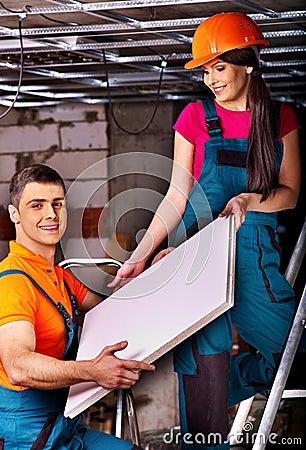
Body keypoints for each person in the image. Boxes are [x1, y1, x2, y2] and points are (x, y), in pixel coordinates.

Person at [109, 12, 301, 449]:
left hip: (256, 258)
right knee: (202, 376)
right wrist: (140, 255)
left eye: (220, 68)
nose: (211, 79)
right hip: (198, 261)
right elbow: (176, 196)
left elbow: (289, 193)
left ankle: (233, 383)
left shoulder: (281, 119)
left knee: (291, 355)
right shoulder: (195, 117)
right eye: (205, 71)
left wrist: (250, 200)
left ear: (247, 63)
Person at [0, 164, 155, 450]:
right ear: (14, 215)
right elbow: (18, 367)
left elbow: (113, 312)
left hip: (63, 426)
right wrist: (91, 371)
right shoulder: (10, 284)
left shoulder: (59, 277)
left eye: (57, 204)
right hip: (25, 437)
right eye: (37, 205)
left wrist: (156, 270)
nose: (51, 215)